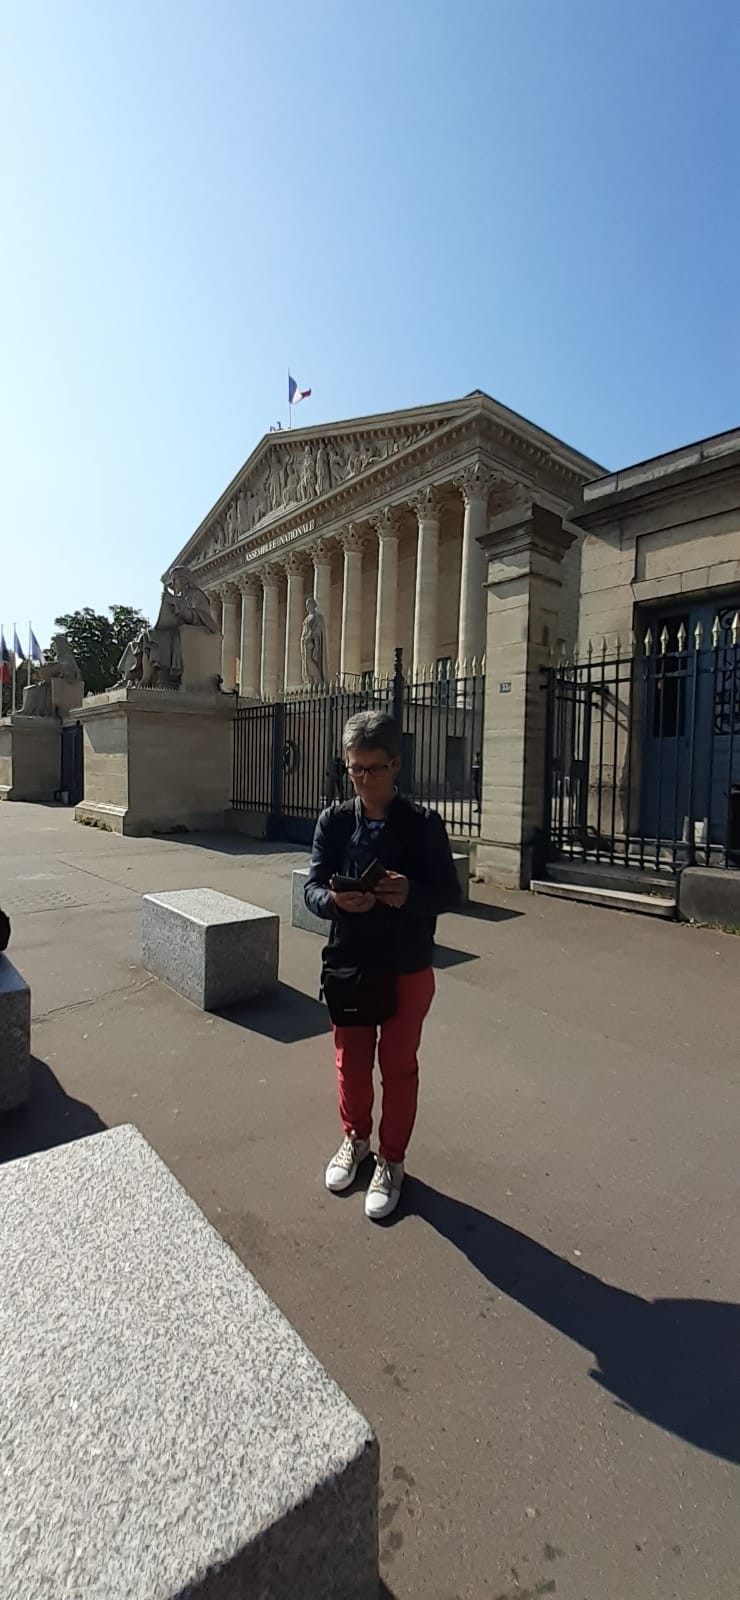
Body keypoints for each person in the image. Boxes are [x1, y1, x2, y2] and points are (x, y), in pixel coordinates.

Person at [305, 711, 461, 1221]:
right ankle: (356, 1140)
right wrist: (333, 903)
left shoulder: (423, 825)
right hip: (350, 961)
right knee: (350, 1062)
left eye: (373, 769)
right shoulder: (334, 821)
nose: (363, 780)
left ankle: (391, 1160)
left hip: (406, 965)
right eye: (354, 770)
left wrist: (410, 893)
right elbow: (312, 888)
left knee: (398, 1067)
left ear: (397, 764)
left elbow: (448, 895)